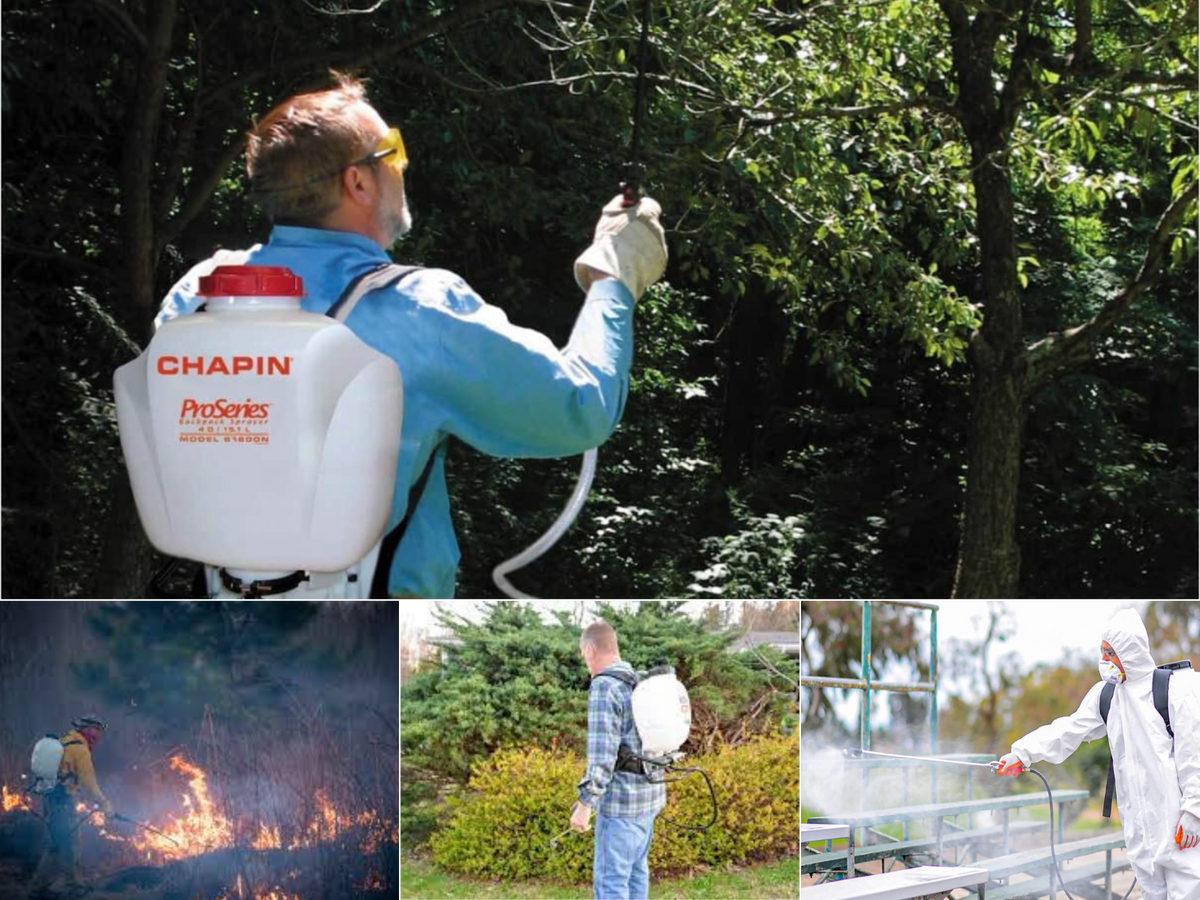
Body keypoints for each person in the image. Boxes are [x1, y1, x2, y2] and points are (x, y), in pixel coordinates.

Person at [156, 72, 668, 600]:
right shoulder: (418, 311)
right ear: (357, 182)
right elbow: (581, 407)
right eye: (392, 151)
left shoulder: (197, 295)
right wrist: (616, 272)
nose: (404, 164)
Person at [995, 608, 1200, 900]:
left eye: (1110, 653)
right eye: (1102, 652)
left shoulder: (1173, 689)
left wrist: (1194, 810)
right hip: (1139, 830)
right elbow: (1067, 730)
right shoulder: (1106, 695)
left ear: (1129, 652)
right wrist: (1022, 754)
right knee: (1151, 892)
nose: (1103, 661)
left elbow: (1194, 752)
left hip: (1180, 825)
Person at [572, 621, 665, 900]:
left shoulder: (605, 686)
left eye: (583, 653)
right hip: (649, 801)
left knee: (612, 884)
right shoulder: (639, 682)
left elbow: (603, 755)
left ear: (589, 648)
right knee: (636, 874)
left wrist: (585, 804)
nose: (585, 660)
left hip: (621, 808)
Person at [29, 716, 114, 899]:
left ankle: (37, 889)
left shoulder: (64, 741)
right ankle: (74, 886)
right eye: (96, 731)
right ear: (87, 730)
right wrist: (105, 803)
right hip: (62, 802)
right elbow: (89, 784)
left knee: (56, 844)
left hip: (50, 799)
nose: (98, 736)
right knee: (71, 844)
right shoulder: (80, 749)